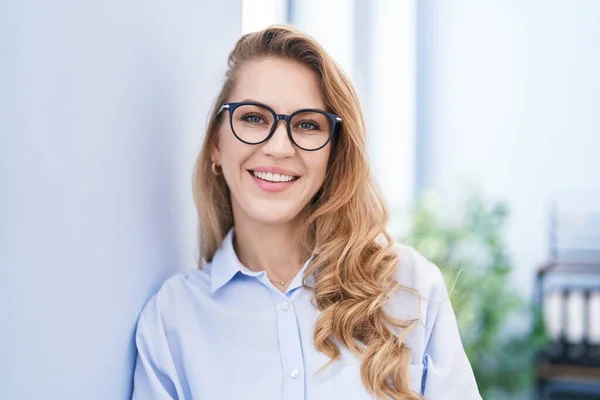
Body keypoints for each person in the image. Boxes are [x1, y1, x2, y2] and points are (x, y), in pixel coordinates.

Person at [132, 25, 481, 400]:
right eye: (253, 118)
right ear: (217, 144)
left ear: (333, 154)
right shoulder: (173, 319)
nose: (279, 147)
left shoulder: (411, 288)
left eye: (307, 124)